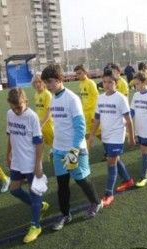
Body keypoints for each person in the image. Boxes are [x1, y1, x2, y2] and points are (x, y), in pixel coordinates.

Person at [40, 64, 102, 231]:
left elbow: (80, 127)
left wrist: (74, 150)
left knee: (81, 179)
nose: (48, 85)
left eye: (51, 81)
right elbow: (59, 126)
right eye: (46, 82)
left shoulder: (72, 98)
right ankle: (65, 214)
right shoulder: (53, 98)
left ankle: (96, 202)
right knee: (62, 184)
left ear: (60, 80)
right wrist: (54, 148)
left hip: (74, 149)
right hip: (59, 149)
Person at [6, 88, 49, 243]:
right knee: (14, 189)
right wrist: (8, 153)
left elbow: (39, 142)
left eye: (19, 107)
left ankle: (36, 225)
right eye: (13, 107)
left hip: (31, 161)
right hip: (17, 160)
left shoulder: (32, 116)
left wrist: (38, 164)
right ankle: (39, 206)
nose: (16, 110)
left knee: (35, 191)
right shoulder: (9, 114)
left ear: (26, 102)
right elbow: (10, 134)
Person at [88, 69, 135, 207]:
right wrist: (91, 136)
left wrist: (131, 137)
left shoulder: (121, 98)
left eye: (110, 82)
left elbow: (129, 119)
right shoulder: (100, 98)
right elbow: (97, 118)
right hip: (106, 135)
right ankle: (127, 180)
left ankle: (109, 194)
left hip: (117, 135)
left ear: (116, 82)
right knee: (115, 159)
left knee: (111, 163)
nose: (107, 85)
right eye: (104, 82)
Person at [74, 65, 99, 137]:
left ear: (85, 72)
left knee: (98, 132)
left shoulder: (91, 83)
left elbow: (97, 97)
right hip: (85, 112)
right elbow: (83, 97)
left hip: (92, 112)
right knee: (87, 133)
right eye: (77, 74)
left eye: (79, 73)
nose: (78, 75)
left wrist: (95, 113)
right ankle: (87, 148)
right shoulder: (81, 84)